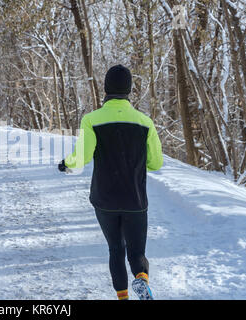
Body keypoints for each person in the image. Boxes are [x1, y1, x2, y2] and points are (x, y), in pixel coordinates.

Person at [58, 65, 163, 300]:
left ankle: (123, 297)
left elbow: (82, 158)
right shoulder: (145, 123)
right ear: (129, 89)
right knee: (136, 253)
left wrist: (66, 163)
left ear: (106, 89)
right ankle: (142, 279)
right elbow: (156, 163)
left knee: (116, 249)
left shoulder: (91, 120)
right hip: (135, 200)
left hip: (105, 200)